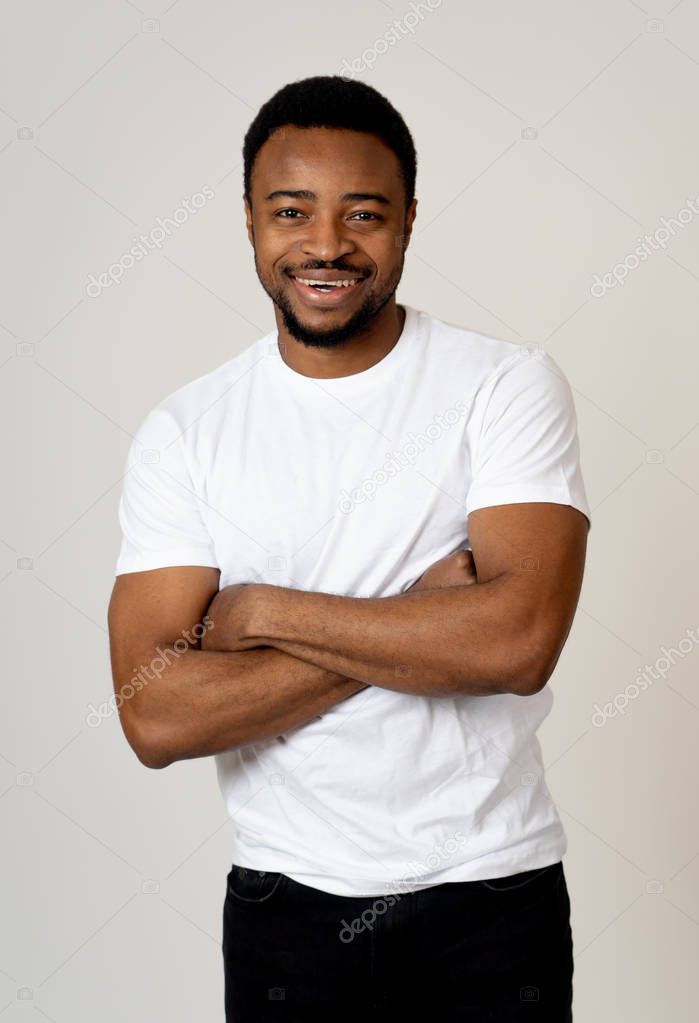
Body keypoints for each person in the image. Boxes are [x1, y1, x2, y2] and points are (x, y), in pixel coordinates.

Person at [107, 75, 589, 1021]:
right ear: (249, 219)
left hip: (490, 896)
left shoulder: (505, 386)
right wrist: (421, 617)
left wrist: (255, 612)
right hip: (285, 905)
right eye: (292, 211)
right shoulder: (187, 430)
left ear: (408, 218)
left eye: (362, 213)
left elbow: (517, 644)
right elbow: (154, 715)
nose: (326, 245)